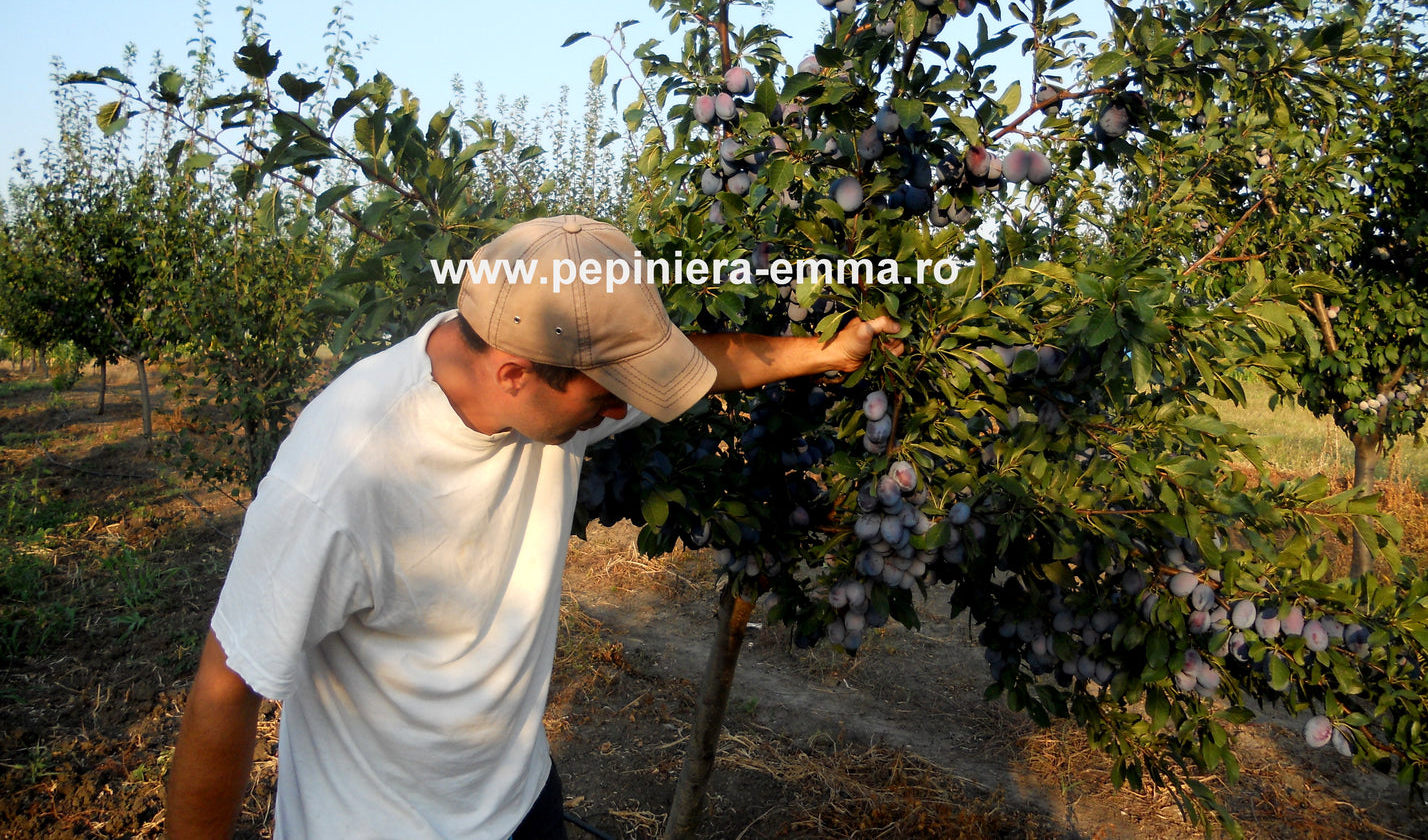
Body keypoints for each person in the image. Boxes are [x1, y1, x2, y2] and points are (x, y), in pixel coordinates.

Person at [164, 215, 900, 840]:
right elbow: (226, 690)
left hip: (519, 803)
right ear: (515, 374)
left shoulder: (558, 375)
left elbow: (702, 366)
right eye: (611, 395)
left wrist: (824, 354)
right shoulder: (342, 473)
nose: (621, 413)